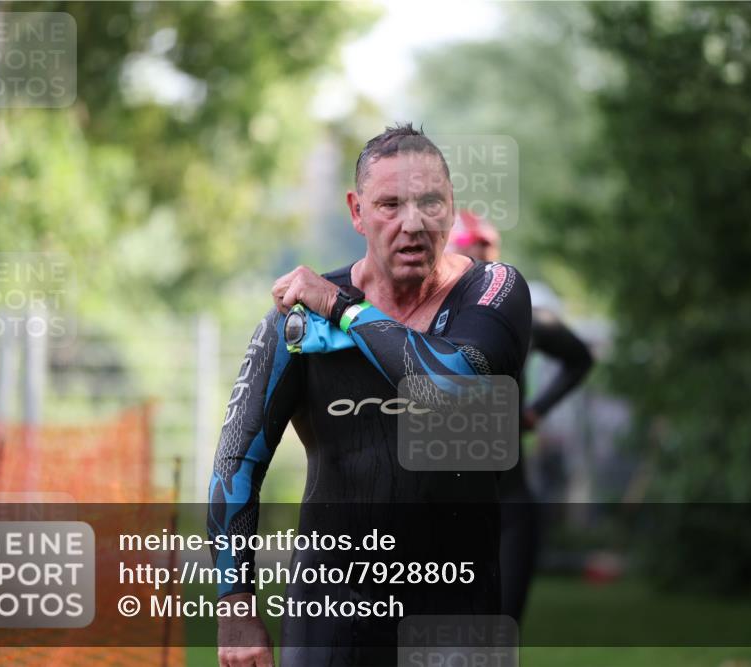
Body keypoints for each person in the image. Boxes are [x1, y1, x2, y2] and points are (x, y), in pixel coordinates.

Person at [207, 124, 532, 667]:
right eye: (389, 205)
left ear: (451, 209)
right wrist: (235, 604)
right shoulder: (296, 321)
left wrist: (343, 309)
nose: (412, 224)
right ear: (357, 212)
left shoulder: (493, 290)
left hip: (454, 608)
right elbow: (236, 462)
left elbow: (453, 381)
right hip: (331, 609)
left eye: (430, 203)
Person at [447, 209, 594, 624]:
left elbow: (579, 359)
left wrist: (534, 412)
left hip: (510, 503)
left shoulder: (522, 316)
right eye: (470, 255)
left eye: (488, 253)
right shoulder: (424, 317)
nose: (481, 265)